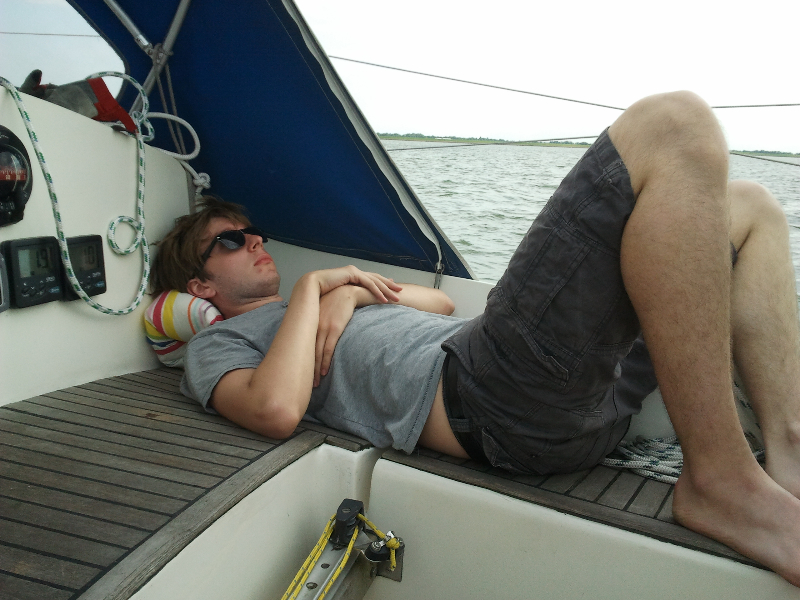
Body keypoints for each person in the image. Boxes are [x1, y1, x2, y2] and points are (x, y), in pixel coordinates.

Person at [152, 91, 800, 586]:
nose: (255, 243)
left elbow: (437, 302)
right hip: (493, 400)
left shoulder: (328, 300)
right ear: (198, 284)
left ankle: (787, 453)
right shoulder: (219, 347)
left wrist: (348, 295)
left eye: (255, 234)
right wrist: (316, 288)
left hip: (588, 404)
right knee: (673, 123)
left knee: (750, 207)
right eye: (231, 241)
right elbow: (275, 409)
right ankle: (720, 481)